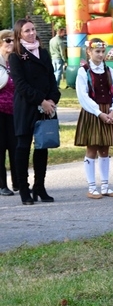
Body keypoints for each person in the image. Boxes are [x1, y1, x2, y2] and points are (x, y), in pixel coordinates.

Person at [9, 19, 61, 205]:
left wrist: (52, 100)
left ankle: (40, 186)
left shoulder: (44, 52)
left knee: (43, 146)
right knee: (23, 147)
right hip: (26, 106)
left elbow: (52, 80)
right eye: (27, 31)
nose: (31, 33)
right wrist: (41, 100)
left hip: (47, 107)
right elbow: (20, 84)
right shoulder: (15, 56)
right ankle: (24, 188)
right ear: (19, 34)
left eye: (33, 29)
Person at [74, 37, 113, 199]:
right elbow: (82, 96)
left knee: (105, 149)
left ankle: (105, 185)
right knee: (92, 148)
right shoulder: (83, 71)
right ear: (89, 52)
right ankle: (91, 187)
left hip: (108, 111)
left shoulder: (109, 70)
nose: (101, 54)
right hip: (93, 113)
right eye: (97, 51)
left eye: (103, 51)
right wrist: (99, 113)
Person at [0, 29, 17, 196]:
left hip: (14, 111)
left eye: (13, 40)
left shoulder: (15, 62)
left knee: (15, 146)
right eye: (7, 40)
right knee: (1, 147)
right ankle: (2, 184)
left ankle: (17, 182)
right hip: (0, 111)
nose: (11, 43)